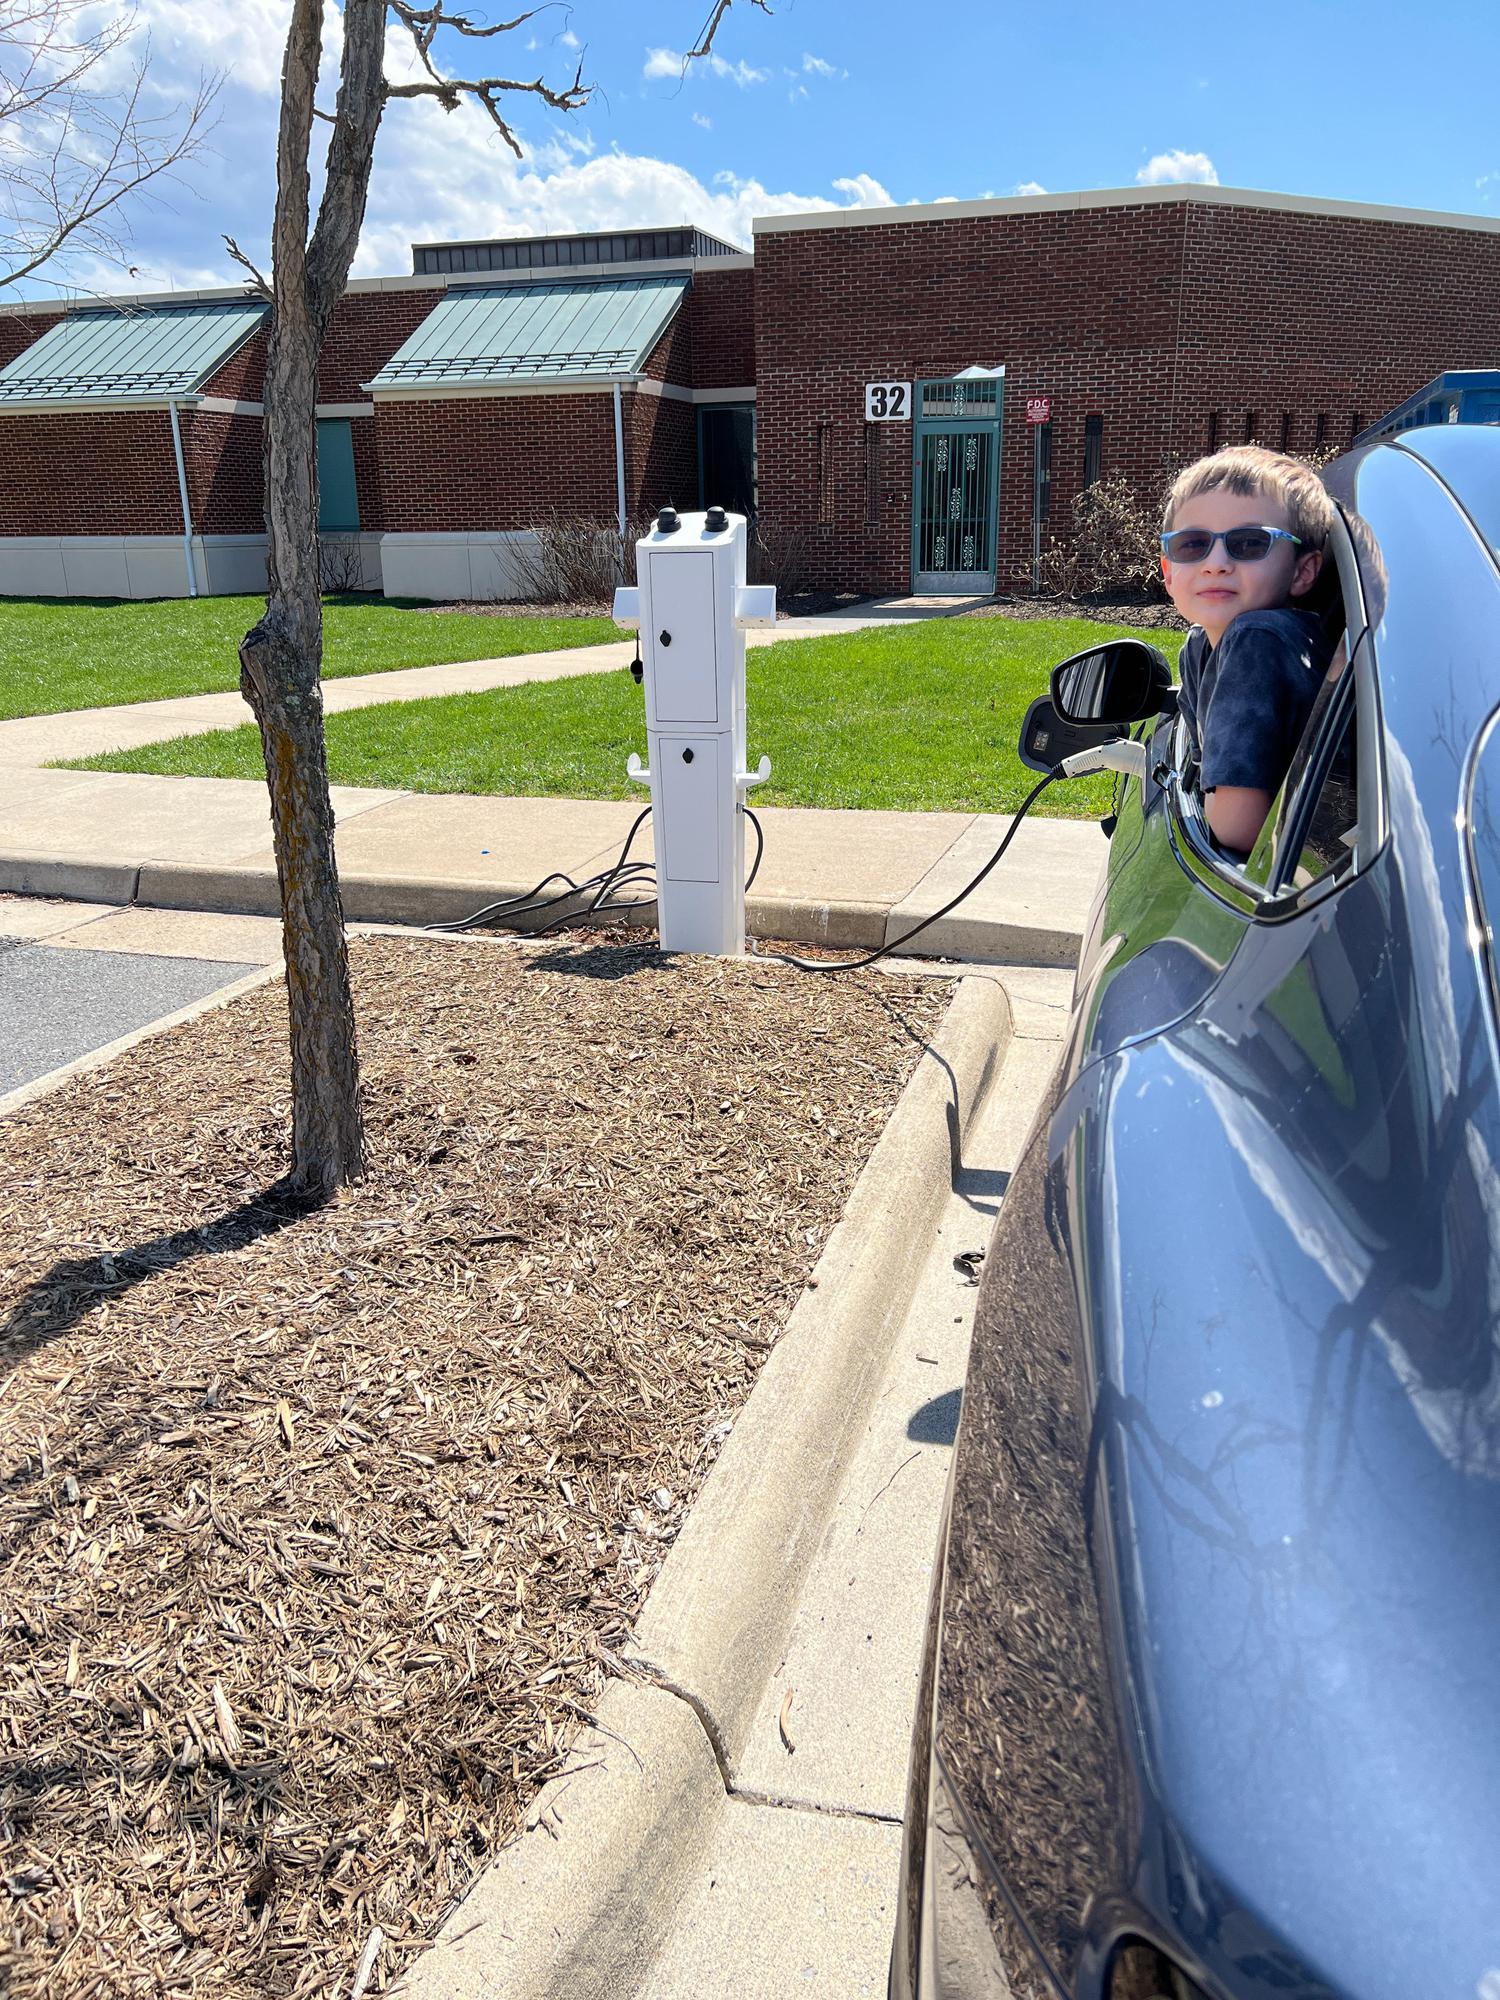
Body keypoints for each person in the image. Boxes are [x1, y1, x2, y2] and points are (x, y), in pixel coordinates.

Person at [1161, 444, 1337, 854]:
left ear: (1302, 570)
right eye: (1192, 545)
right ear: (1168, 572)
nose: (1216, 562)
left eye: (1249, 543)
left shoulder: (1258, 640)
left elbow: (1237, 828)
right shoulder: (1200, 645)